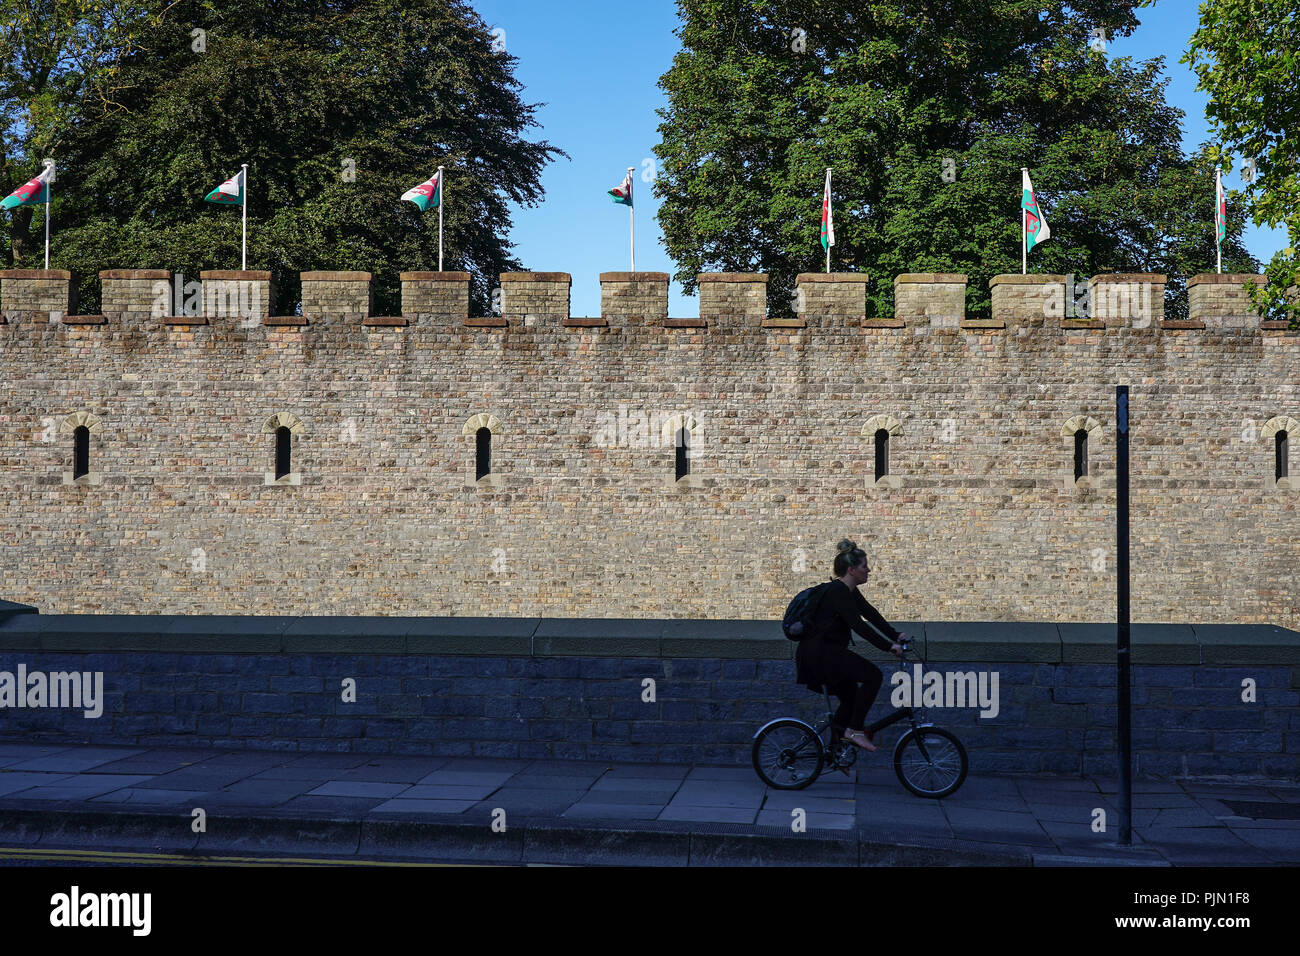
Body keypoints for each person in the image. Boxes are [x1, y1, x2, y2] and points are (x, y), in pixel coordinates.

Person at [795, 538, 907, 752]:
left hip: (825, 654)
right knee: (874, 676)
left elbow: (870, 614)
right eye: (865, 566)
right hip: (821, 656)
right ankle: (854, 730)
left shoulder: (848, 591)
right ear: (851, 569)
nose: (869, 570)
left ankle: (834, 751)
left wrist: (896, 635)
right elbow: (859, 626)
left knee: (851, 698)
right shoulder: (837, 592)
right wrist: (888, 647)